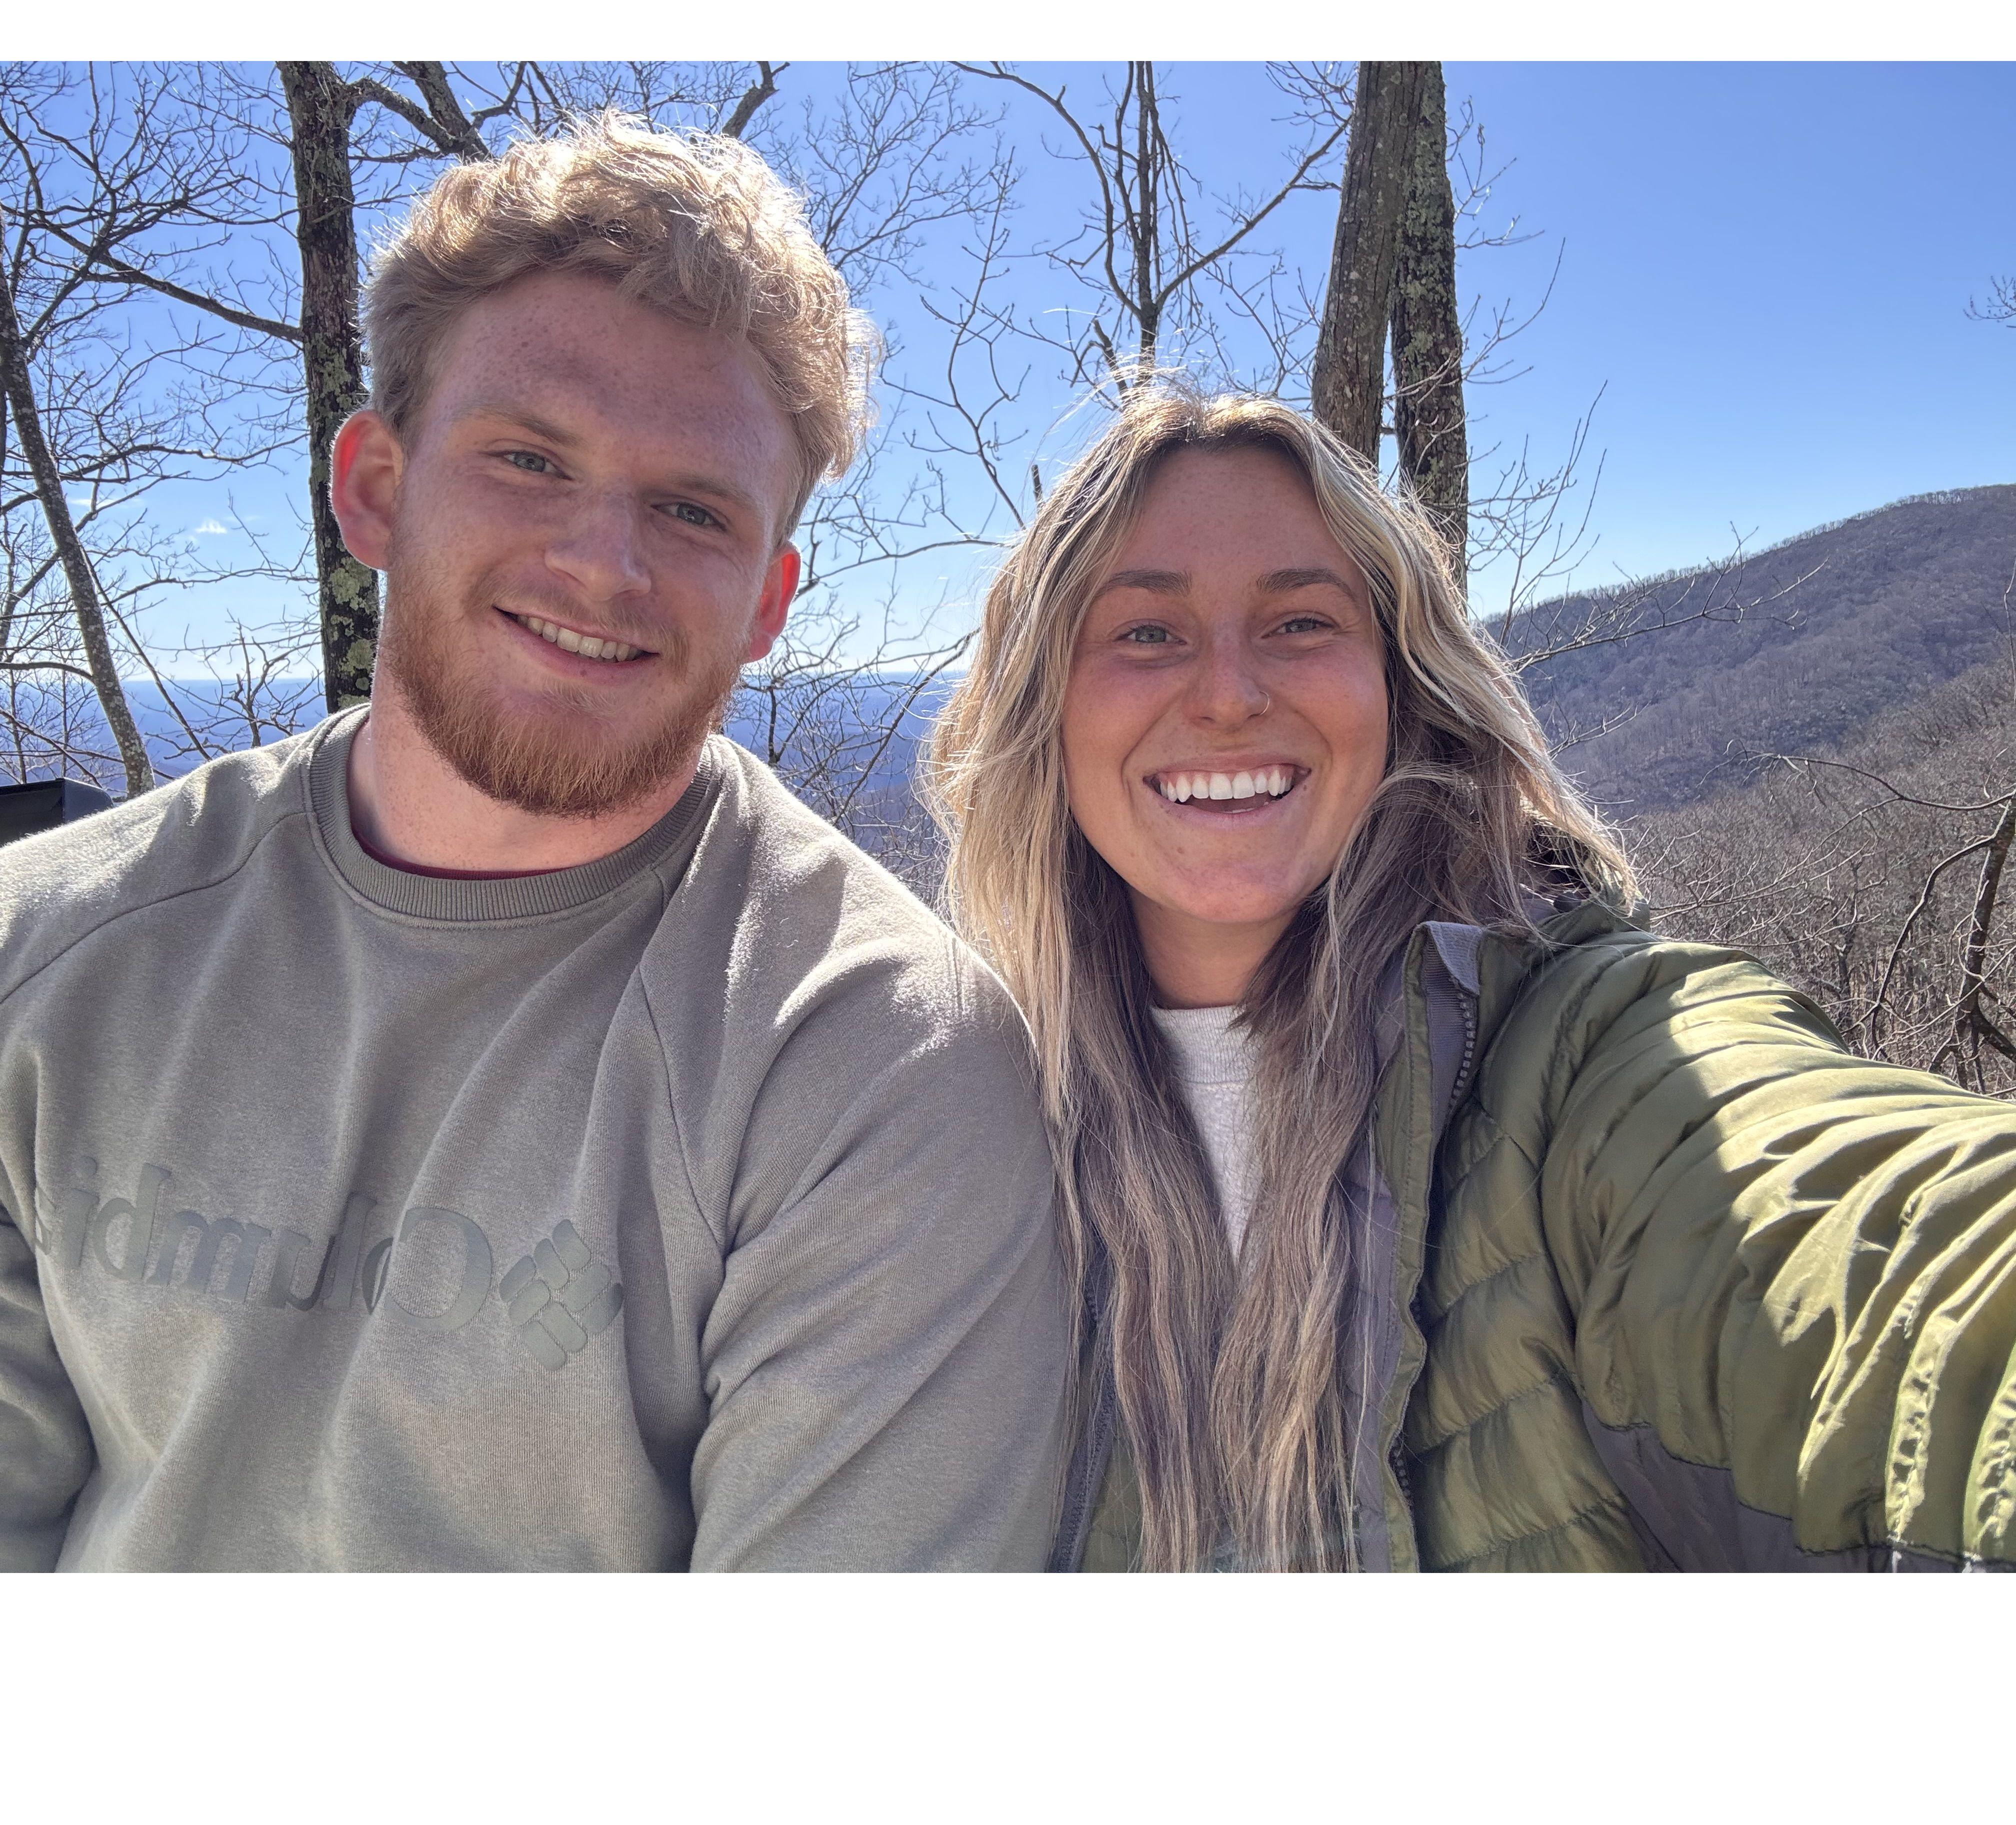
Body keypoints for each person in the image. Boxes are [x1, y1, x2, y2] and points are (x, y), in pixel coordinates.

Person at [0, 115, 1068, 1572]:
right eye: (530, 459)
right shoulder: (48, 956)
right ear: (376, 487)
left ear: (768, 602)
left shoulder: (870, 1058)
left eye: (692, 509)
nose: (602, 563)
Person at [928, 376, 2016, 1573]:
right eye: (1146, 632)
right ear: (1043, 705)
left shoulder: (1593, 1058)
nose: (1229, 694)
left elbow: (1872, 1235)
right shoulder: (947, 1118)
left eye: (1301, 623)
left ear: (1401, 688)